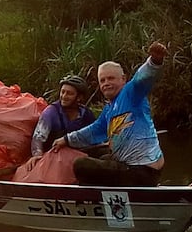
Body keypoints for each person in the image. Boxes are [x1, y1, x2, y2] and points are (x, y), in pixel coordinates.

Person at [52, 41, 169, 187]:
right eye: (102, 80)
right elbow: (94, 131)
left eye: (111, 78)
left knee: (81, 165)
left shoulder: (131, 92)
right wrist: (66, 139)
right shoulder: (109, 109)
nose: (106, 83)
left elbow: (142, 78)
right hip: (131, 169)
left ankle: (88, 200)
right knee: (99, 154)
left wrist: (154, 61)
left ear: (123, 79)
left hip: (142, 170)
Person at [30, 74, 95, 158]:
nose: (64, 96)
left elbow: (95, 136)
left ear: (79, 97)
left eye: (69, 94)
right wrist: (37, 156)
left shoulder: (86, 114)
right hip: (55, 157)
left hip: (80, 156)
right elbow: (38, 138)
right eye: (62, 92)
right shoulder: (51, 112)